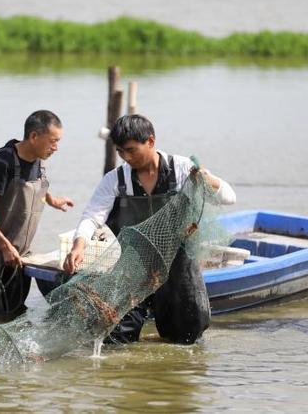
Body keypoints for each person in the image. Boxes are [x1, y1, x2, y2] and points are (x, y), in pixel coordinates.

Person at [63, 114, 236, 344]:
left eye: (131, 150)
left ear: (151, 142)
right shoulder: (115, 179)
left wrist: (208, 179)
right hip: (134, 267)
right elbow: (93, 216)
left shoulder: (182, 169)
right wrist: (79, 245)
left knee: (186, 338)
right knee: (116, 339)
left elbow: (229, 198)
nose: (126, 157)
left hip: (178, 267)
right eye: (120, 151)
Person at [0, 110, 74, 314]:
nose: (56, 147)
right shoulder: (2, 164)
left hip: (17, 255)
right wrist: (4, 246)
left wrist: (53, 200)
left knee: (14, 313)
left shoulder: (37, 159)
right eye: (53, 141)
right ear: (34, 136)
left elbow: (34, 186)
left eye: (58, 141)